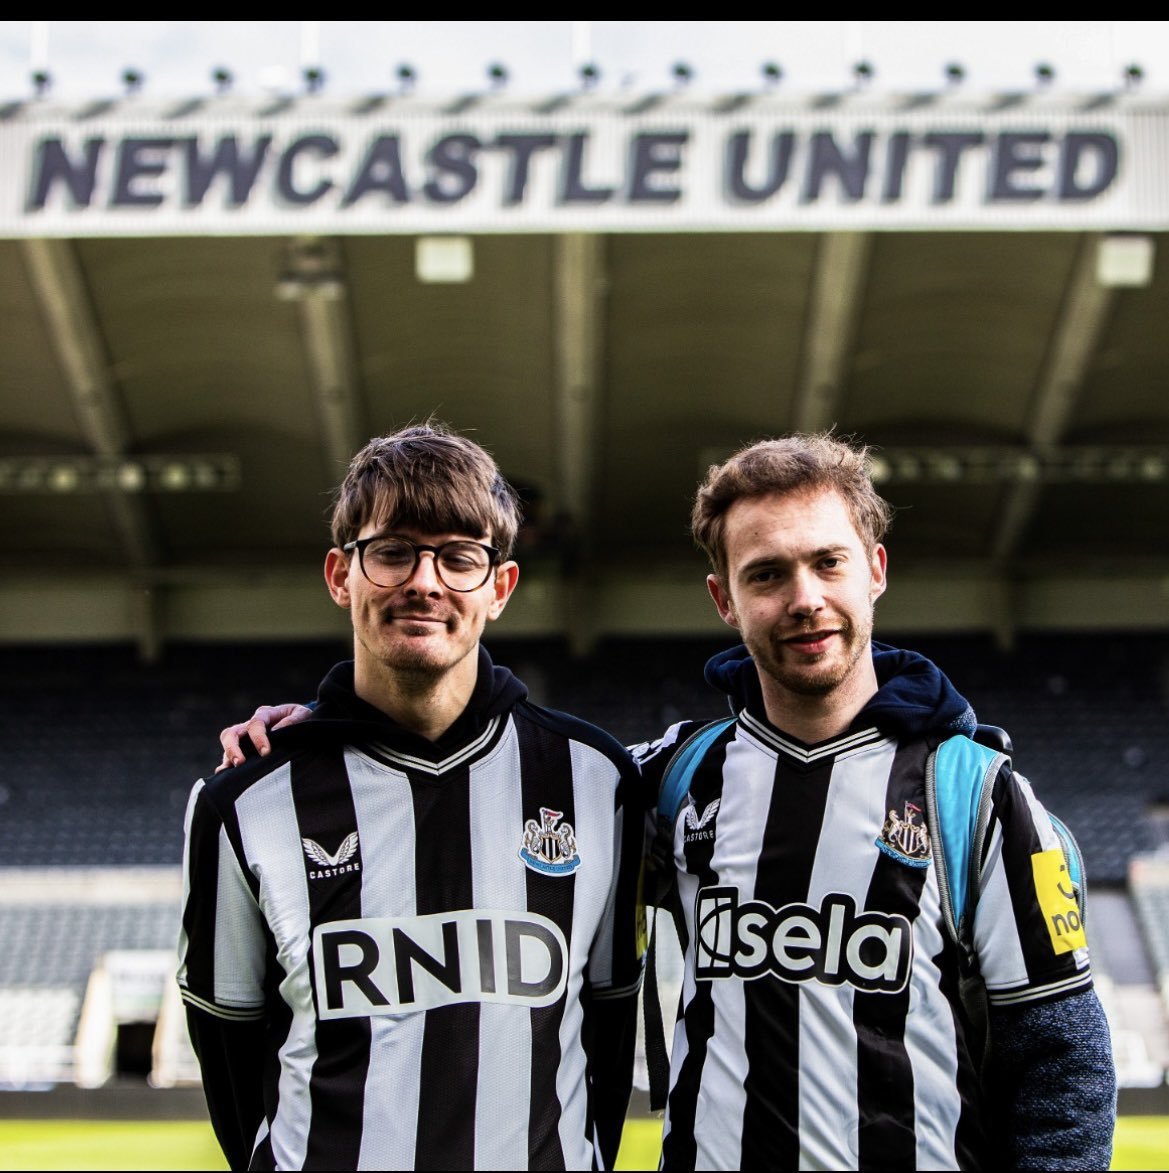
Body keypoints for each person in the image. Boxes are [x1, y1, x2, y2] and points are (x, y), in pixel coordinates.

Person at [222, 430, 1117, 1171]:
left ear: (873, 570)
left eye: (827, 563)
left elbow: (1064, 1059)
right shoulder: (668, 782)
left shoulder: (978, 793)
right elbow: (476, 781)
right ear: (723, 598)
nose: (803, 598)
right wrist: (330, 723)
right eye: (766, 574)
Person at [180, 423, 645, 1171]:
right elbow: (230, 1050)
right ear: (341, 575)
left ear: (499, 587)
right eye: (392, 550)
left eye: (460, 556)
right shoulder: (246, 800)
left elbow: (608, 1027)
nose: (423, 582)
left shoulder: (597, 780)